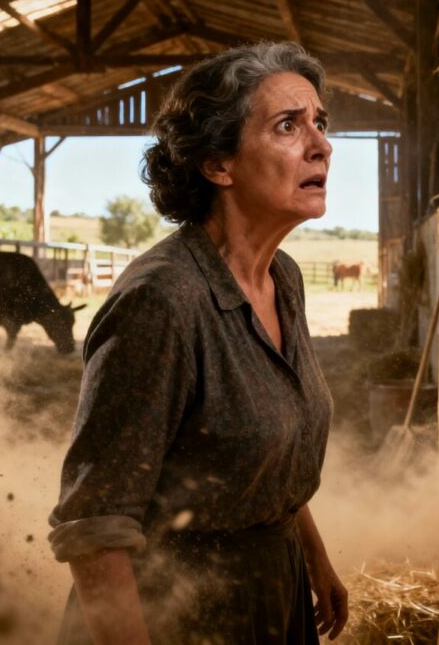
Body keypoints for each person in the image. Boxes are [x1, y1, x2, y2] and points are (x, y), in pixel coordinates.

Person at [48, 42, 349, 644]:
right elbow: (94, 524)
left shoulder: (282, 278)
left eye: (320, 122)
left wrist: (313, 558)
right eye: (288, 126)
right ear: (218, 164)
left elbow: (266, 448)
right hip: (176, 612)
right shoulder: (162, 302)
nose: (321, 145)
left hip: (271, 592)